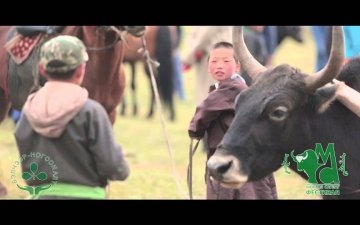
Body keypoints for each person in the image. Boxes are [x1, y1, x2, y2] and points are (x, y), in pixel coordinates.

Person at [14, 35, 129, 199]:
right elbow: (114, 168)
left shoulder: (28, 109)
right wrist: (120, 160)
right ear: (81, 69)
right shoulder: (92, 112)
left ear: (42, 69)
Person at [188, 42, 278, 199]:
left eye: (226, 61)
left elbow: (204, 111)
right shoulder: (230, 88)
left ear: (237, 66)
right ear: (208, 67)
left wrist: (195, 130)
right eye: (214, 61)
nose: (219, 66)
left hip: (231, 158)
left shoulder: (232, 88)